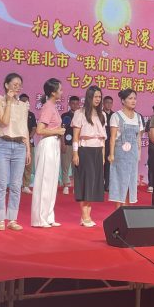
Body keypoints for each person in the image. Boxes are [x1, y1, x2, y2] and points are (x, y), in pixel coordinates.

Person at [0, 73, 31, 231]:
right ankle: (0, 220)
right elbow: (4, 121)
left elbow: (24, 128)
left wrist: (28, 149)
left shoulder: (23, 105)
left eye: (19, 84)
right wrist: (8, 101)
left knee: (16, 185)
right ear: (6, 85)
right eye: (14, 84)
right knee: (1, 184)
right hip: (3, 144)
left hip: (20, 146)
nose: (17, 87)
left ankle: (12, 219)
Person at [31, 78, 65, 227]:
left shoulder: (53, 106)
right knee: (44, 181)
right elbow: (39, 130)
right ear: (53, 92)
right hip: (48, 144)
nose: (62, 92)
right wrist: (57, 131)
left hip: (54, 144)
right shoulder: (47, 107)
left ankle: (49, 216)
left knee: (52, 182)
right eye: (60, 89)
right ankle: (40, 218)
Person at [71, 86, 107, 226]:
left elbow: (103, 139)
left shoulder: (102, 115)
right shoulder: (80, 113)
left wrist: (102, 156)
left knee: (93, 183)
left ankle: (87, 216)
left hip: (98, 151)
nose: (97, 99)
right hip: (84, 150)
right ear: (89, 97)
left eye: (99, 97)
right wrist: (75, 153)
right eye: (95, 97)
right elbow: (75, 136)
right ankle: (85, 216)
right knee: (86, 183)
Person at [108, 88, 144, 209]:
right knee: (120, 182)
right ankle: (119, 211)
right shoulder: (116, 116)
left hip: (132, 154)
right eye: (130, 98)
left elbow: (138, 138)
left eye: (135, 98)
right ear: (123, 101)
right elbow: (113, 137)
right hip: (120, 154)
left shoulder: (138, 117)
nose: (133, 101)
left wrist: (139, 153)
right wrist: (111, 154)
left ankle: (127, 210)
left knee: (130, 182)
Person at [60, 96, 80, 195]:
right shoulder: (65, 116)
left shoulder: (82, 116)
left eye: (77, 103)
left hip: (79, 146)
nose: (75, 105)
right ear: (69, 104)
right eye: (73, 103)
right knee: (65, 166)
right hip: (67, 145)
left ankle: (77, 187)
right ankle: (66, 186)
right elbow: (61, 131)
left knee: (77, 167)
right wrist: (62, 143)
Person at [19, 93, 37, 194]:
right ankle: (18, 185)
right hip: (18, 142)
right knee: (18, 164)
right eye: (23, 101)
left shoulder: (31, 115)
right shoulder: (16, 114)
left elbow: (34, 128)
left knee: (28, 164)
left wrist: (29, 137)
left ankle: (26, 185)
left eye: (27, 101)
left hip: (29, 142)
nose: (25, 103)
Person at [144, 103, 154, 193]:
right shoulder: (151, 120)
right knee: (152, 165)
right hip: (153, 146)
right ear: (153, 111)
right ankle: (151, 184)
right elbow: (149, 133)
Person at [102, 95, 114, 191]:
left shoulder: (114, 115)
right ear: (103, 103)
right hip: (101, 143)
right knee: (100, 164)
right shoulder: (99, 114)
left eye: (110, 103)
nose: (108, 104)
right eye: (107, 102)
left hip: (111, 143)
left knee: (109, 165)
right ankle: (99, 185)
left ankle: (107, 185)